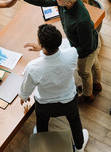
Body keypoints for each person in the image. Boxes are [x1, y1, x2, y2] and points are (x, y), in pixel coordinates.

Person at [10, 0, 102, 104]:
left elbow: (87, 47)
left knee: (84, 72)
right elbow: (43, 0)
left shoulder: (81, 21)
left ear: (68, 3)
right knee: (94, 63)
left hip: (87, 49)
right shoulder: (63, 2)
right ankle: (96, 84)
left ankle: (87, 95)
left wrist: (63, 53)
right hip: (85, 42)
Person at [19, 24, 89, 152]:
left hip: (45, 106)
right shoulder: (72, 54)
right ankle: (79, 147)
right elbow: (65, 43)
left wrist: (23, 96)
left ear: (41, 44)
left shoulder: (33, 67)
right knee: (75, 121)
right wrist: (42, 47)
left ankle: (42, 142)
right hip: (69, 101)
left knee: (41, 122)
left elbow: (26, 88)